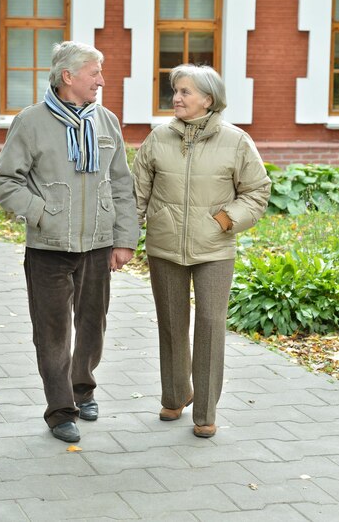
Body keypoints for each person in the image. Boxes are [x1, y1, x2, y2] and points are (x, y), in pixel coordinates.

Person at [0, 41, 139, 443]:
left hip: (97, 244)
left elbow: (123, 184)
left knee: (93, 325)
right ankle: (60, 411)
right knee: (53, 331)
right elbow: (4, 180)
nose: (102, 81)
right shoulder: (31, 121)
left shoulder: (106, 121)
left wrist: (124, 239)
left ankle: (82, 389)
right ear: (68, 76)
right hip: (48, 249)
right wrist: (41, 212)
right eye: (95, 73)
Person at [133, 64, 271, 438]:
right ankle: (176, 395)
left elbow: (257, 191)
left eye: (185, 92)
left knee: (210, 325)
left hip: (214, 250)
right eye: (175, 91)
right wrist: (126, 237)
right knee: (172, 324)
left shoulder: (236, 141)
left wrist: (226, 221)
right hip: (165, 248)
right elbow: (137, 193)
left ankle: (206, 411)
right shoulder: (157, 138)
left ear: (208, 100)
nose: (176, 98)